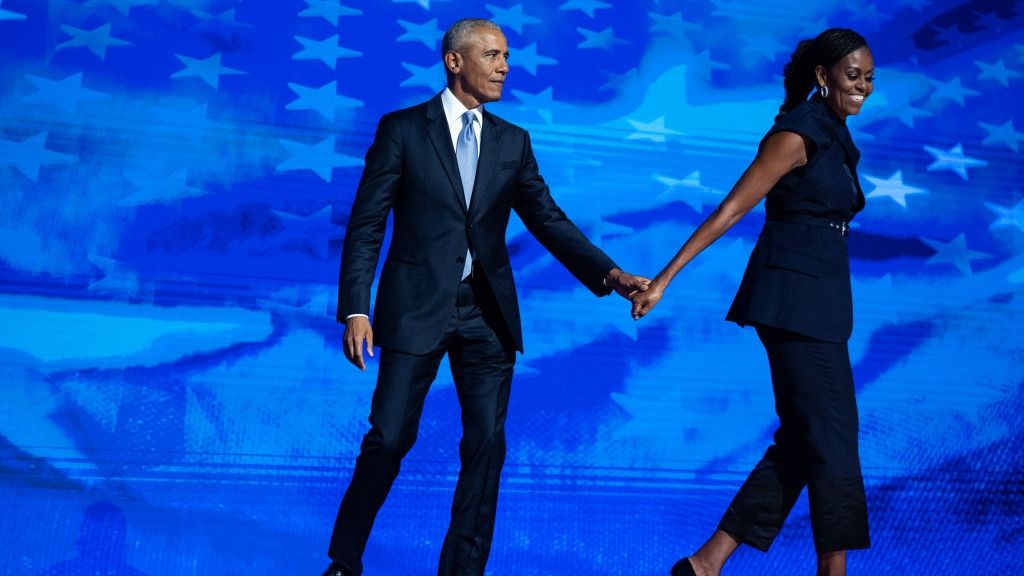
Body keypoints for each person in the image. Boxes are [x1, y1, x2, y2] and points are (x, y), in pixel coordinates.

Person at [322, 18, 649, 576]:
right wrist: (357, 307)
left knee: (486, 446)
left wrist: (611, 274)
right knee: (389, 439)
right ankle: (344, 560)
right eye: (493, 56)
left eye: (506, 57)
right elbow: (367, 225)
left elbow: (548, 220)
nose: (505, 67)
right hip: (416, 308)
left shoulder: (512, 141)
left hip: (486, 315)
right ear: (455, 61)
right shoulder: (403, 130)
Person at [630, 28, 873, 576]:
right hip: (794, 304)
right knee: (833, 438)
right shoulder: (798, 132)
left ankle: (704, 564)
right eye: (853, 75)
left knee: (804, 440)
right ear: (823, 76)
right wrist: (665, 278)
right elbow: (731, 210)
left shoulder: (833, 131)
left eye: (869, 78)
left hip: (820, 304)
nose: (863, 86)